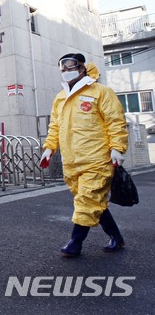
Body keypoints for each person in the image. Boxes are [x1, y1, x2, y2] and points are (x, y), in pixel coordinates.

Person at [40, 53, 128, 258]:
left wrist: (117, 148)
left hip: (97, 159)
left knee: (87, 200)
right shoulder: (60, 98)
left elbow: (115, 121)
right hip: (71, 162)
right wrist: (48, 148)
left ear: (82, 69)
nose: (66, 71)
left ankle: (75, 242)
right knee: (90, 200)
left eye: (70, 67)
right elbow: (54, 126)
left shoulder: (101, 92)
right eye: (62, 68)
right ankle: (117, 237)